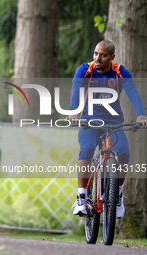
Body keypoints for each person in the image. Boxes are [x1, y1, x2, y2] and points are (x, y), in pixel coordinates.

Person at [69, 40, 147, 218]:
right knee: (87, 149)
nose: (97, 58)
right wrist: (74, 112)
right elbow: (76, 90)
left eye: (103, 55)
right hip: (89, 121)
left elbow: (132, 92)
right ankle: (82, 197)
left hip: (114, 121)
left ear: (112, 57)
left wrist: (141, 114)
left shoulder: (120, 71)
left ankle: (117, 195)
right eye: (96, 53)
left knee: (124, 153)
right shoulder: (85, 70)